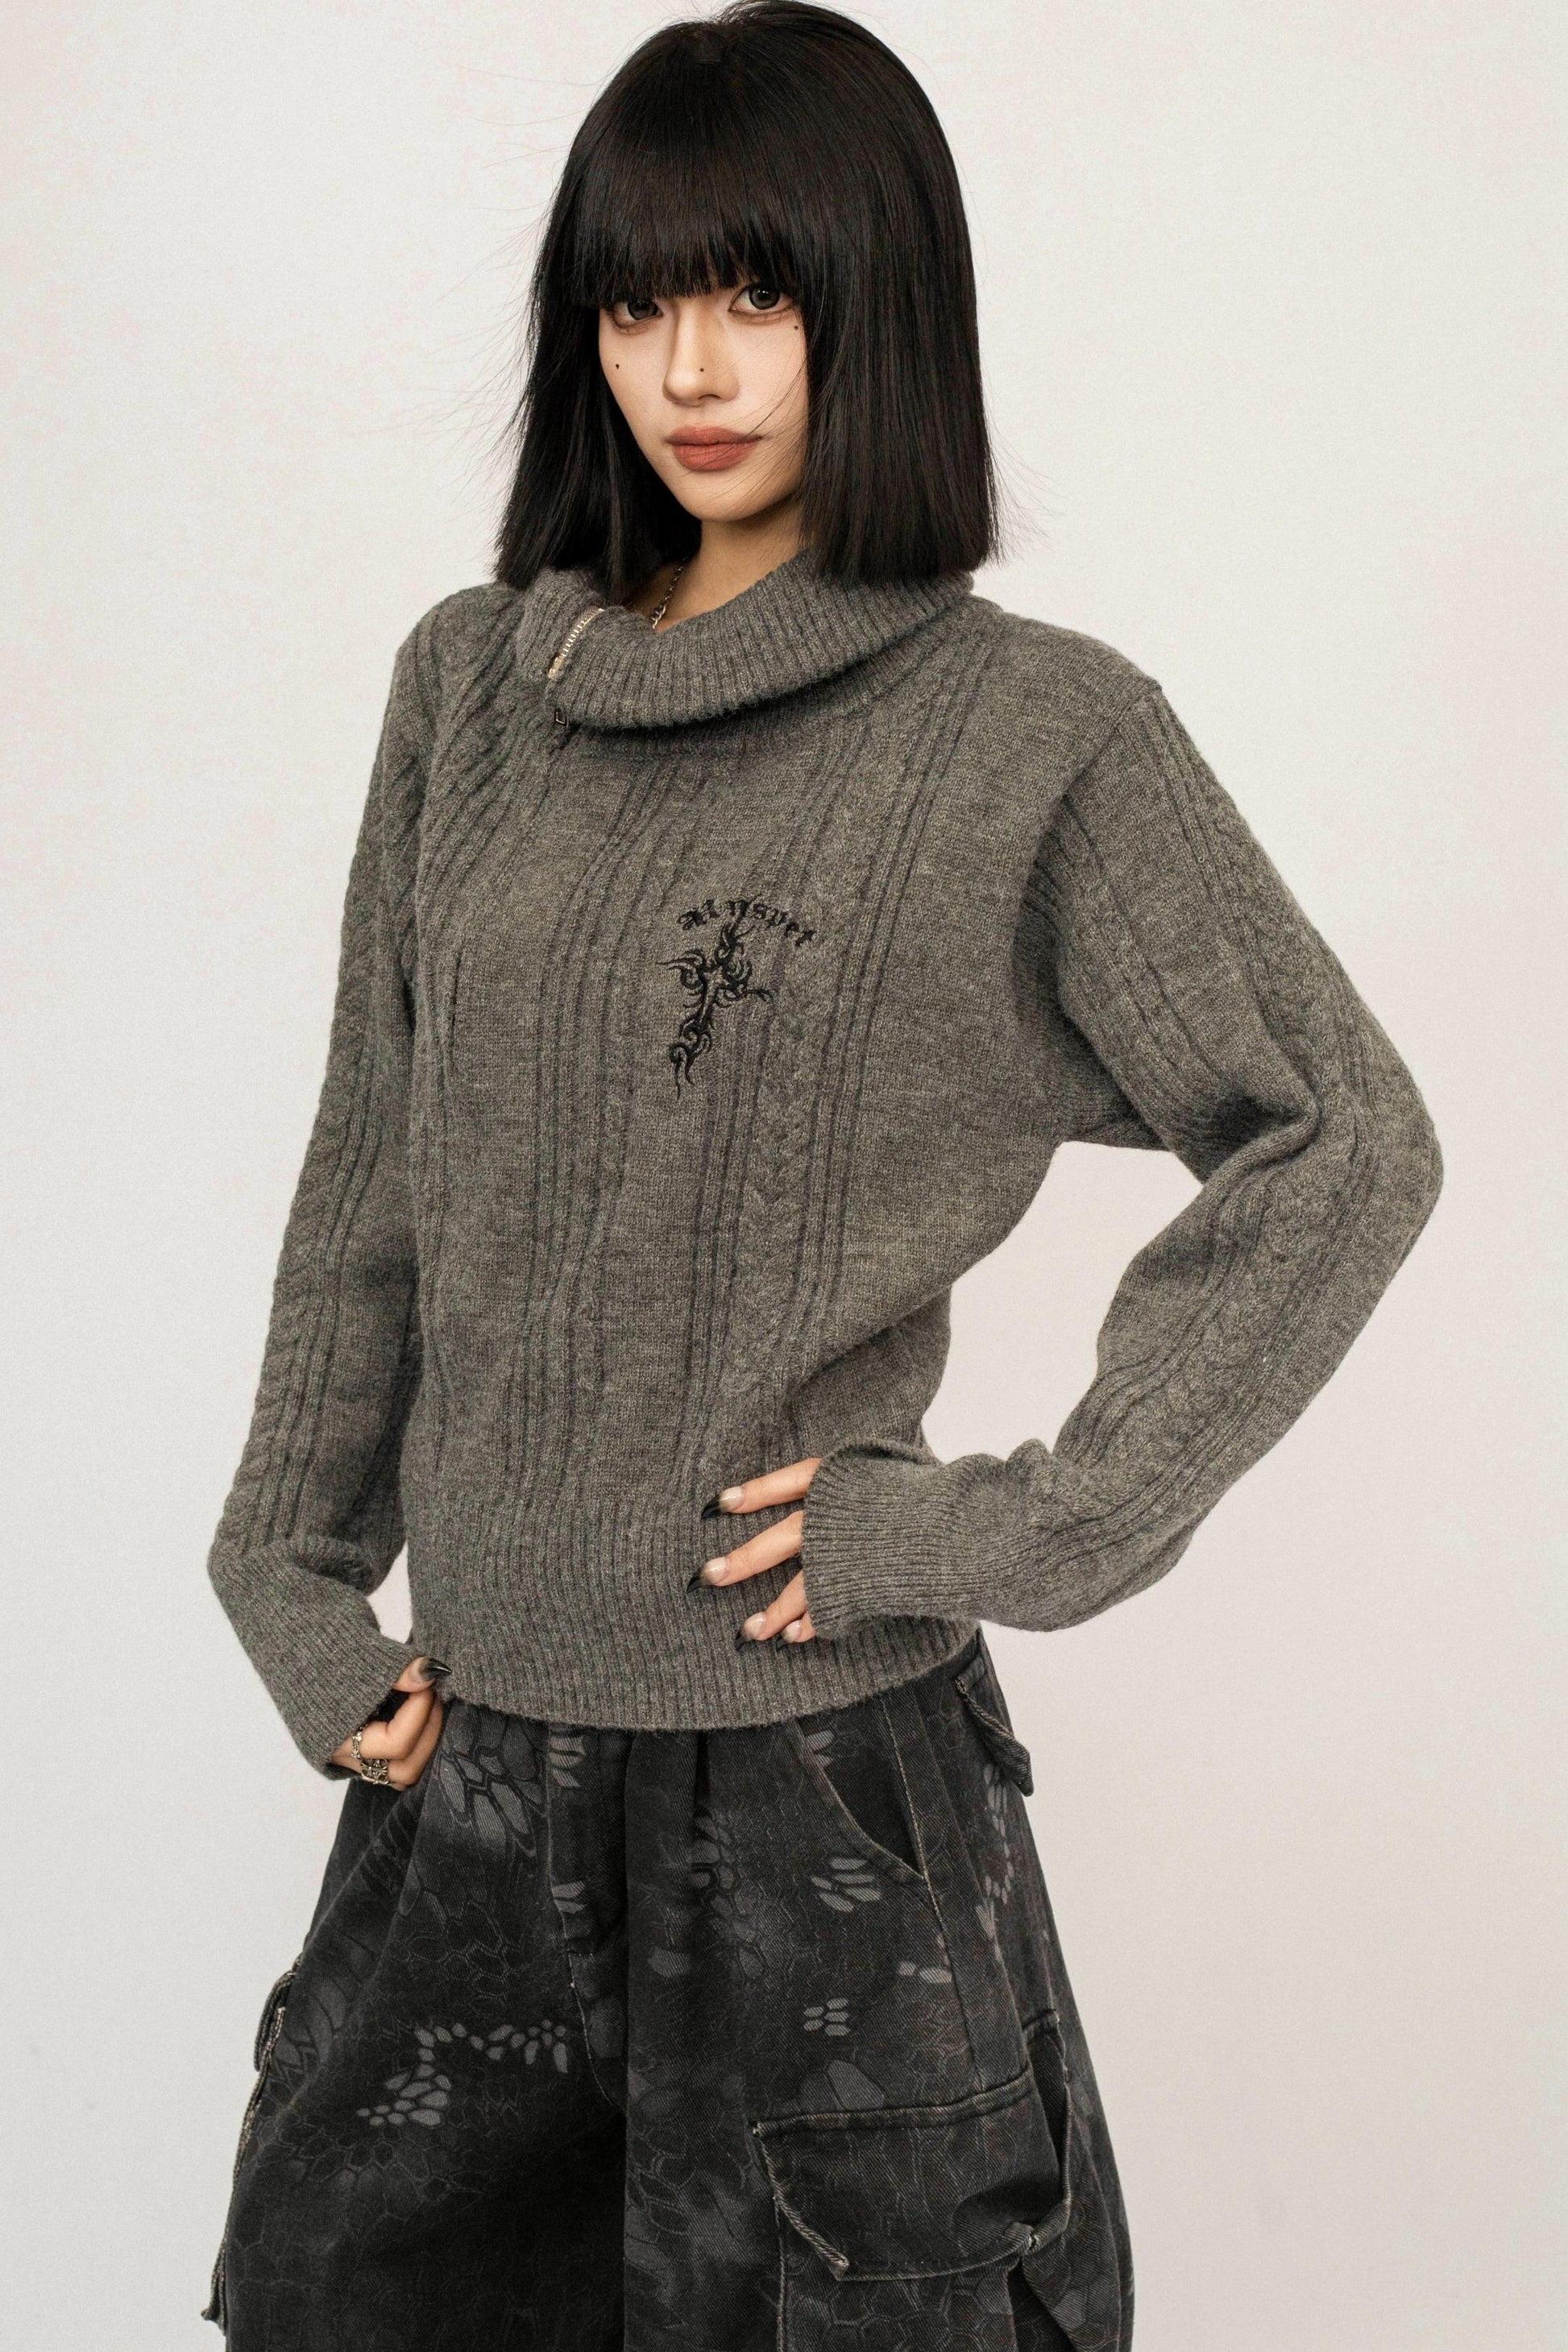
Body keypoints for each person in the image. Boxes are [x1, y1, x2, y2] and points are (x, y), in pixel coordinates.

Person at [200, 6, 1442, 2346]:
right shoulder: (471, 689)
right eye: (635, 300)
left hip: (819, 1810)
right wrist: (285, 1563)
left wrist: (1012, 1529)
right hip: (467, 1788)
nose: (691, 369)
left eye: (758, 294)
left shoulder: (1037, 734)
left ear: (884, 308)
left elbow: (1341, 1139)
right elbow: (374, 1166)